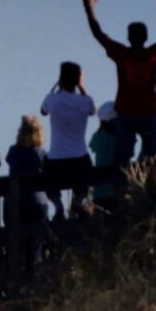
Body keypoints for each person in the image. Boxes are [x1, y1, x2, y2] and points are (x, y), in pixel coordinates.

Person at [83, 0, 156, 165]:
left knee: (122, 157)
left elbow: (99, 34)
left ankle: (122, 186)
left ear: (128, 37)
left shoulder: (121, 54)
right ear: (146, 37)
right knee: (152, 154)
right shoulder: (153, 55)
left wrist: (89, 9)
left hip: (126, 110)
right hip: (148, 109)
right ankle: (150, 185)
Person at [40, 62, 95, 219]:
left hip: (56, 159)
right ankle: (77, 202)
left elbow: (43, 111)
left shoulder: (52, 100)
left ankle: (58, 207)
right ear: (78, 79)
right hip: (79, 158)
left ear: (60, 79)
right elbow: (93, 110)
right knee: (87, 178)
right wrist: (82, 87)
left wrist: (56, 86)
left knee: (47, 178)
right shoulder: (85, 101)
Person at [6, 115, 49, 271]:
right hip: (37, 202)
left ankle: (16, 281)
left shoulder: (13, 152)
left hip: (16, 203)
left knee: (16, 245)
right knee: (35, 245)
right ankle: (33, 280)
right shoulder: (41, 154)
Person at [89, 102, 118, 210]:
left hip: (98, 192)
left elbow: (92, 146)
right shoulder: (119, 139)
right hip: (115, 191)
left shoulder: (97, 136)